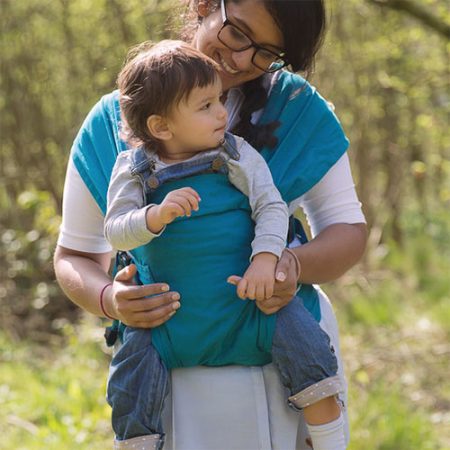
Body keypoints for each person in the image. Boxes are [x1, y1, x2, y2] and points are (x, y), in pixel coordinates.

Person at [53, 1, 367, 449]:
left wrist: (290, 265)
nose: (241, 60)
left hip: (283, 359)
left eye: (265, 53)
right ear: (205, 4)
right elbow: (75, 256)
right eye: (238, 33)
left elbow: (347, 232)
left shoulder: (298, 111)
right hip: (168, 364)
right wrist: (110, 299)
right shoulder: (113, 123)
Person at [104, 39, 345, 450]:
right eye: (205, 106)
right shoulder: (134, 169)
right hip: (168, 322)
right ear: (161, 126)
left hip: (250, 304)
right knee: (130, 385)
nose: (222, 113)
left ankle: (331, 442)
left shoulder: (235, 153)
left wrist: (266, 259)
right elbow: (115, 230)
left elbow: (270, 206)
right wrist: (153, 217)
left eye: (220, 100)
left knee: (309, 353)